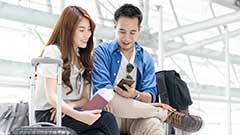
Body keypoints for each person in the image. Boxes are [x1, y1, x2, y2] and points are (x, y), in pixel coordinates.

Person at [92, 3, 203, 135]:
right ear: (115, 26)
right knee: (106, 95)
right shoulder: (101, 52)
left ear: (139, 29)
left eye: (132, 32)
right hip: (104, 111)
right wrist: (149, 107)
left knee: (153, 124)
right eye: (122, 31)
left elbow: (149, 96)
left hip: (134, 112)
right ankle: (166, 114)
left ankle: (160, 114)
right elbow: (102, 90)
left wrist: (135, 94)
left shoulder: (146, 58)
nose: (127, 38)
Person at [33, 5, 120, 135]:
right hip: (49, 115)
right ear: (69, 30)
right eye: (81, 30)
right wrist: (80, 116)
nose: (87, 35)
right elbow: (52, 96)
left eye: (89, 30)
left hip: (69, 111)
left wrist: (71, 106)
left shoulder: (84, 59)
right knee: (107, 119)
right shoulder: (53, 52)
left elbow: (85, 98)